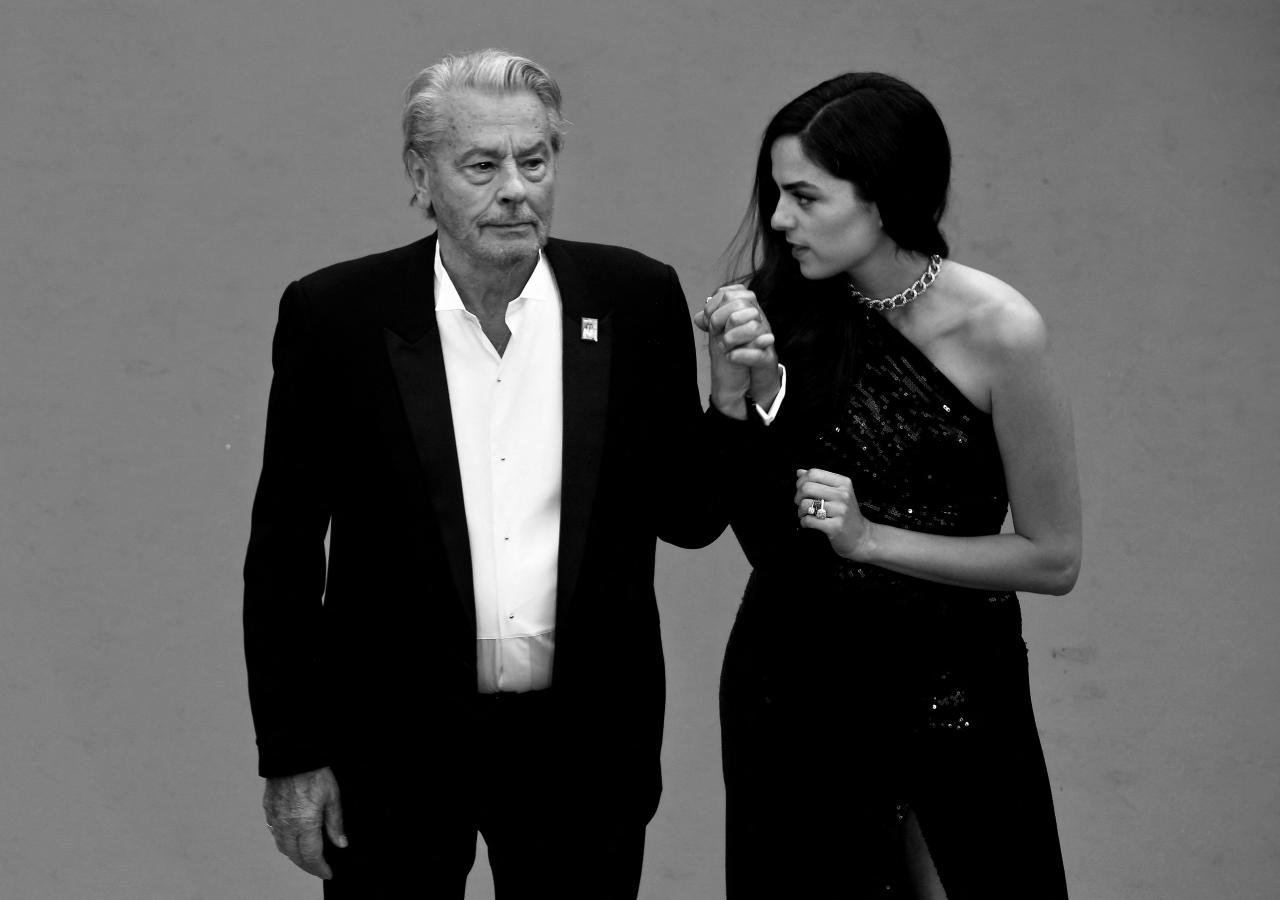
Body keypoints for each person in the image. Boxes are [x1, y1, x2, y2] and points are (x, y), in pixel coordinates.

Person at [242, 49, 776, 898]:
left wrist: (732, 405)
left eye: (535, 161)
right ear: (422, 177)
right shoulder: (336, 316)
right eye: (482, 166)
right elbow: (283, 551)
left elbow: (692, 515)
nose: (516, 189)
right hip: (395, 750)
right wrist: (293, 755)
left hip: (584, 748)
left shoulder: (634, 297)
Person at [698, 72, 1082, 897]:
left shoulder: (998, 330)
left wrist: (872, 541)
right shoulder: (776, 312)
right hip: (794, 690)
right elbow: (768, 541)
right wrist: (743, 398)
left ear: (884, 195)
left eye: (805, 195)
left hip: (955, 689)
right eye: (776, 193)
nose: (777, 219)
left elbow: (1053, 559)